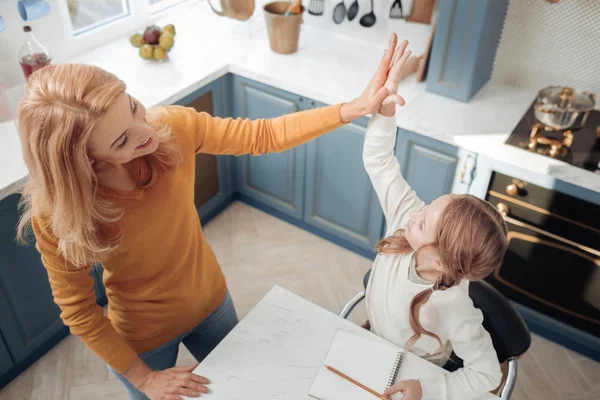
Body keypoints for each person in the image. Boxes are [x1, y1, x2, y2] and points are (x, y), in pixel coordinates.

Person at [16, 33, 408, 400]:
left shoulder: (170, 126)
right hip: (143, 338)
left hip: (212, 304)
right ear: (84, 161)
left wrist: (353, 108)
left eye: (133, 107)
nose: (145, 131)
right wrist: (144, 378)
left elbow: (264, 135)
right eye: (122, 139)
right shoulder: (56, 216)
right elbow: (79, 310)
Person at [362, 41, 506, 400]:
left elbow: (486, 375)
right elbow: (379, 161)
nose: (414, 213)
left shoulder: (453, 306)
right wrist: (387, 108)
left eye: (423, 223)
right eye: (427, 207)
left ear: (441, 261)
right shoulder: (407, 218)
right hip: (371, 343)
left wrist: (429, 389)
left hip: (414, 372)